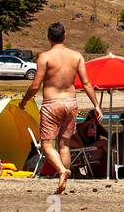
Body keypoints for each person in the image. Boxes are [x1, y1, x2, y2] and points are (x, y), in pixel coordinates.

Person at [19, 24, 103, 193]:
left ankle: (61, 171)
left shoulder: (45, 57)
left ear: (49, 38)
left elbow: (35, 85)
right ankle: (64, 181)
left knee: (47, 145)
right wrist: (96, 105)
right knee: (64, 145)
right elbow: (86, 83)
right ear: (65, 36)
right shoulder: (76, 56)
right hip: (70, 103)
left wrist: (23, 101)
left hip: (52, 103)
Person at [72, 112, 110, 177]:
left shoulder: (98, 127)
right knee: (104, 142)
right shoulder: (79, 127)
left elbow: (109, 136)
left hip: (90, 150)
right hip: (82, 151)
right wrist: (86, 124)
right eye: (91, 118)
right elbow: (75, 131)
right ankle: (112, 163)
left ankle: (109, 168)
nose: (93, 121)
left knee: (104, 146)